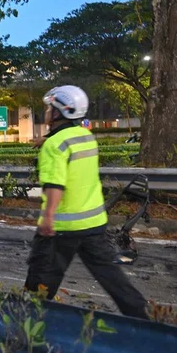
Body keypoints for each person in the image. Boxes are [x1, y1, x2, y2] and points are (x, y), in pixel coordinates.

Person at [24, 85, 150, 320]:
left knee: (40, 283)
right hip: (93, 223)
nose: (47, 112)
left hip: (61, 228)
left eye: (50, 107)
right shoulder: (85, 137)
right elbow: (67, 145)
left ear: (61, 112)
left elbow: (55, 185)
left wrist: (48, 217)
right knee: (110, 275)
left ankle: (29, 328)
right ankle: (142, 317)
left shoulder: (55, 145)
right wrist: (47, 139)